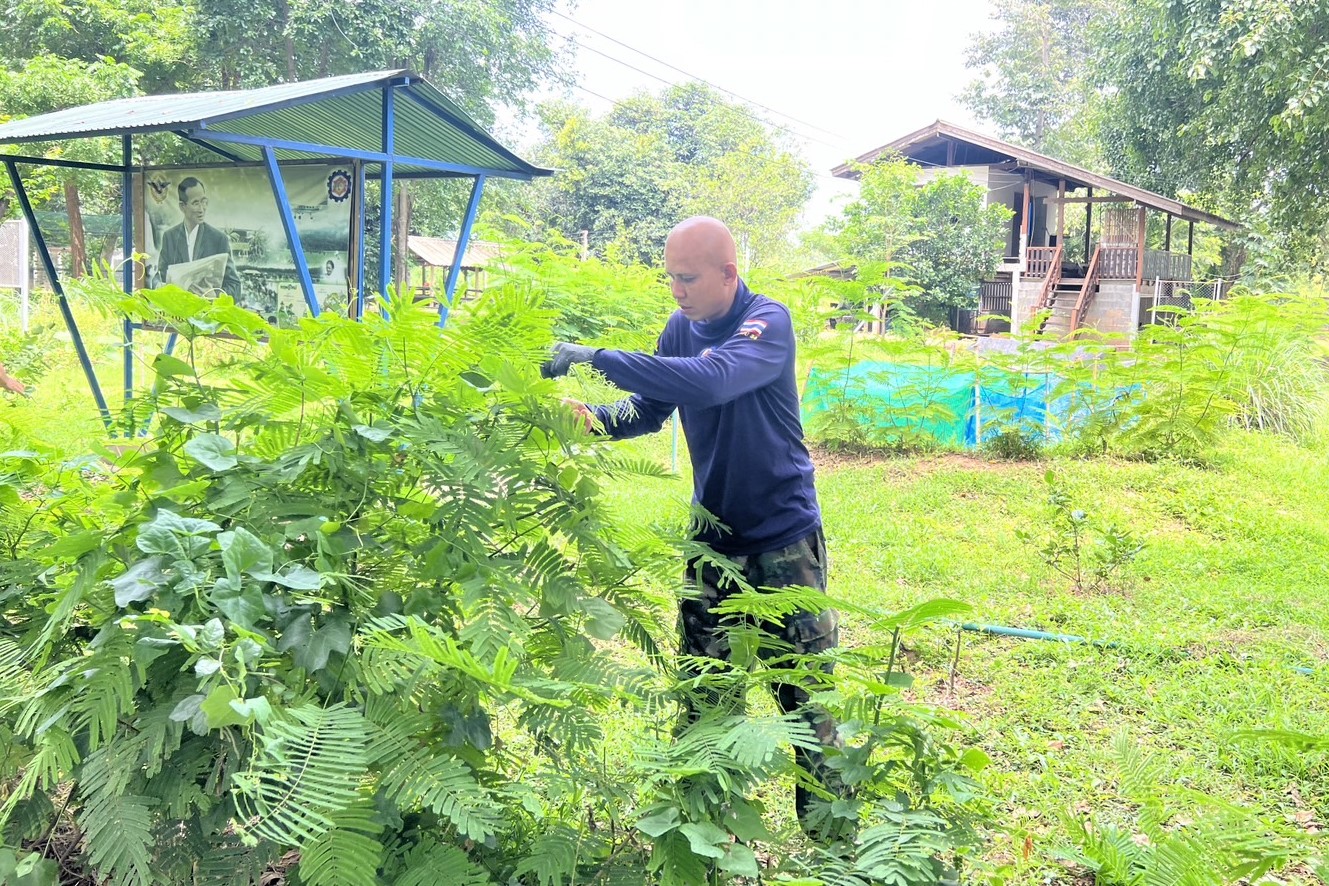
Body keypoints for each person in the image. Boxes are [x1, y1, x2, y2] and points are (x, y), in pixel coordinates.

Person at [541, 216, 844, 830]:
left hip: (784, 540)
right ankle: (701, 840)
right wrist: (590, 418)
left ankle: (835, 844)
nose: (676, 291)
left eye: (688, 278)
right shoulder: (679, 328)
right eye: (670, 278)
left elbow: (712, 382)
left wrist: (596, 357)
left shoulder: (767, 322)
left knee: (809, 706)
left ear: (728, 274)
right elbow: (649, 410)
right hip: (713, 547)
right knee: (704, 699)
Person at [156, 177, 242, 297]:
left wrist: (216, 295)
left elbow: (235, 286)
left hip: (207, 308)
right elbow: (159, 277)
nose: (202, 209)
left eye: (204, 201)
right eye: (196, 203)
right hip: (178, 307)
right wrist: (159, 286)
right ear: (182, 206)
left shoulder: (218, 239)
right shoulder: (170, 237)